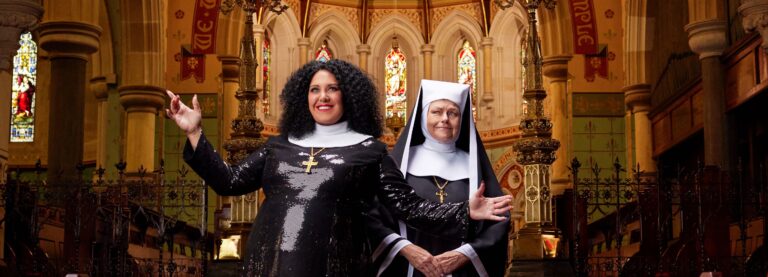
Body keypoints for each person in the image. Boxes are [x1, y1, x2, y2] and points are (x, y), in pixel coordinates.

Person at [165, 60, 512, 276]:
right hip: (269, 260)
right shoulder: (278, 146)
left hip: (337, 263)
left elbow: (410, 207)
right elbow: (229, 181)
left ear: (348, 96)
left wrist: (465, 210)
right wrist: (195, 132)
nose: (323, 96)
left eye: (332, 89)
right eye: (314, 90)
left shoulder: (369, 150)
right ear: (305, 97)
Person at [369, 80, 509, 277]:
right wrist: (407, 250)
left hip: (462, 271)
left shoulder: (474, 166)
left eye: (453, 113)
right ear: (423, 115)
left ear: (462, 119)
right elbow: (374, 218)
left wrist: (463, 254)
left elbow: (499, 219)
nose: (445, 119)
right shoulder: (399, 164)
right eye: (436, 111)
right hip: (408, 268)